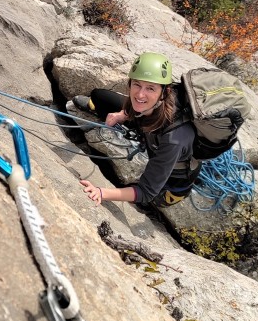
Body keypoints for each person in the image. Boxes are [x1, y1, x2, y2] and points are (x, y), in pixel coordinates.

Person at [73, 52, 199, 208]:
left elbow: (146, 192)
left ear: (164, 93)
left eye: (150, 88)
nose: (140, 94)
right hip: (149, 127)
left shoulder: (174, 138)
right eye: (137, 84)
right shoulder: (152, 100)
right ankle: (96, 107)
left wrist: (101, 192)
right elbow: (137, 103)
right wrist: (122, 114)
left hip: (172, 182)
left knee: (151, 200)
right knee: (99, 96)